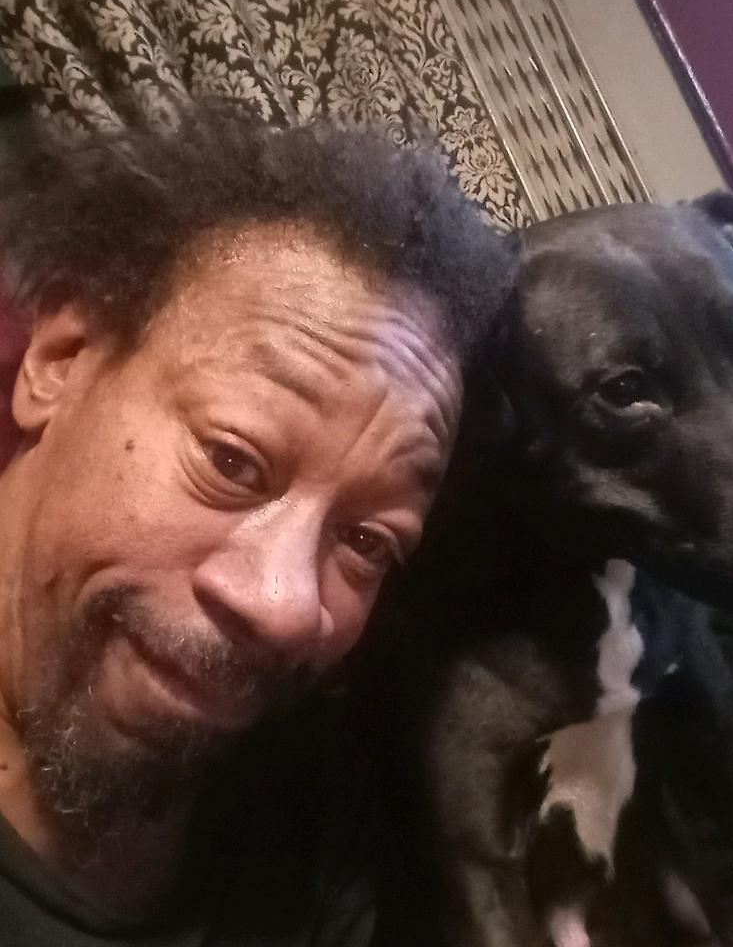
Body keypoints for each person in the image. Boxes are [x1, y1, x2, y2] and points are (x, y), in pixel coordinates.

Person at [0, 101, 515, 946]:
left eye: (366, 541)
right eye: (232, 461)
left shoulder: (316, 825)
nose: (286, 607)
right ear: (61, 361)